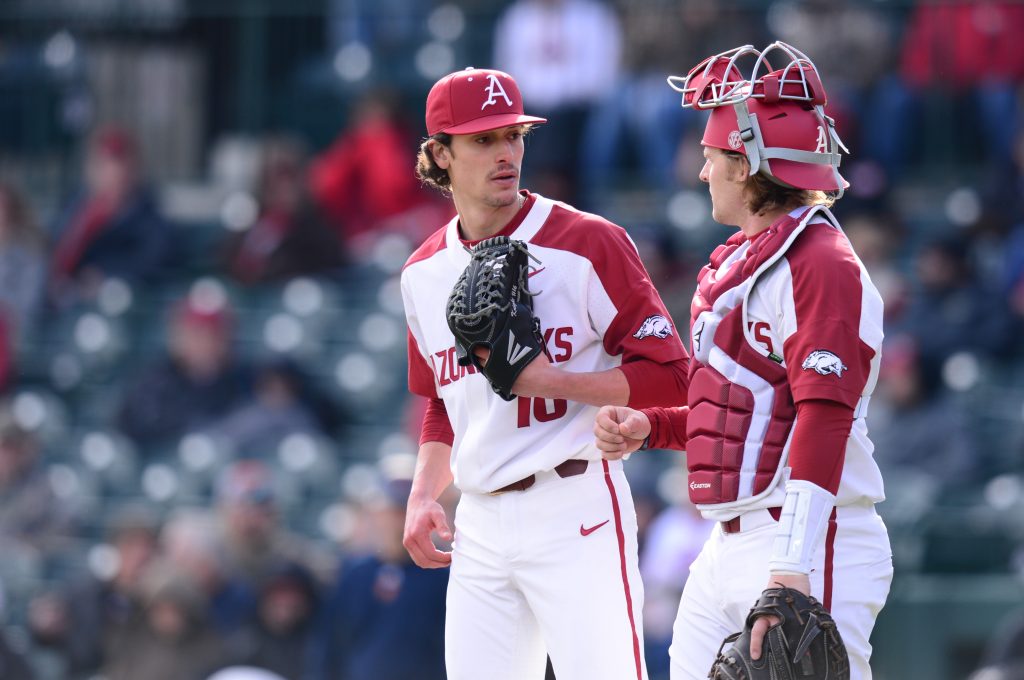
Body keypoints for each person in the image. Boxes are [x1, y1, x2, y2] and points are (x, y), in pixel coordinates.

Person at [593, 42, 893, 679]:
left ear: (750, 162)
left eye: (712, 157)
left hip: (809, 538)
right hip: (727, 538)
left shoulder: (822, 263)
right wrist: (654, 426)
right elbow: (740, 410)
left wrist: (790, 568)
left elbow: (824, 416)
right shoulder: (743, 259)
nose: (703, 172)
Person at [400, 67, 690, 680]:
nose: (505, 153)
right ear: (440, 154)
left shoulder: (588, 243)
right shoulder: (422, 273)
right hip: (479, 522)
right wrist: (424, 493)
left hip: (574, 503)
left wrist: (549, 380)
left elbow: (673, 378)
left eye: (514, 135)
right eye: (483, 140)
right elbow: (442, 402)